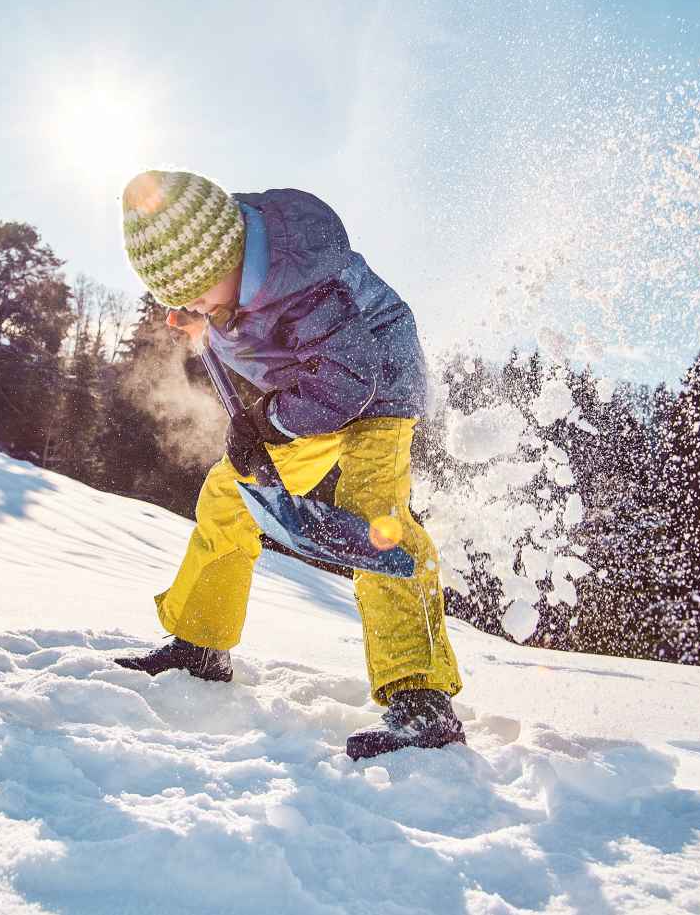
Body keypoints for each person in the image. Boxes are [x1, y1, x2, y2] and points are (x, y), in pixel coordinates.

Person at [114, 170, 464, 760]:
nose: (189, 306)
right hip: (307, 391)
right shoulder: (229, 268)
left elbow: (349, 379)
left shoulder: (308, 283)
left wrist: (271, 422)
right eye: (179, 298)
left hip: (375, 390)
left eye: (195, 291)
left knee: (375, 521)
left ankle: (422, 698)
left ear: (227, 258)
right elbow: (244, 319)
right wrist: (206, 315)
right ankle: (201, 642)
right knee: (230, 496)